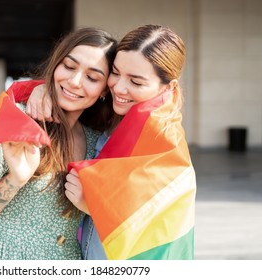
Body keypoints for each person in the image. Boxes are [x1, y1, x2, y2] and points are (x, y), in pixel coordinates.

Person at [26, 24, 196, 260]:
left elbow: (159, 236)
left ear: (169, 87)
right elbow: (74, 90)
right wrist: (41, 90)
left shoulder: (164, 146)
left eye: (136, 82)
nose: (119, 87)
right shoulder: (108, 116)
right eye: (115, 73)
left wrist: (93, 206)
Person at [0, 27, 117, 260]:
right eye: (69, 66)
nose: (75, 81)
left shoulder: (96, 143)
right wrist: (14, 180)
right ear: (56, 64)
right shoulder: (14, 120)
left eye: (92, 77)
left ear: (103, 90)